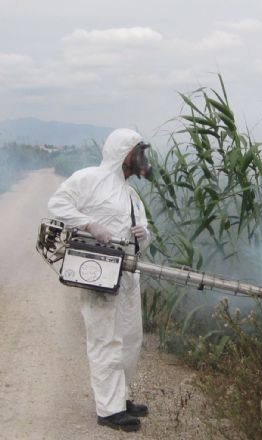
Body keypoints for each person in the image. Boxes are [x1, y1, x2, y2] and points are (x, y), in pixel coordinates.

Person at [48, 128, 153, 432]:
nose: (142, 159)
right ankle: (108, 410)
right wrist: (90, 224)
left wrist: (143, 235)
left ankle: (120, 397)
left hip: (129, 276)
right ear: (124, 153)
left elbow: (143, 238)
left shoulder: (132, 195)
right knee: (105, 339)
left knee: (131, 339)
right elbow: (58, 204)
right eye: (138, 152)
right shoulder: (89, 179)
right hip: (99, 274)